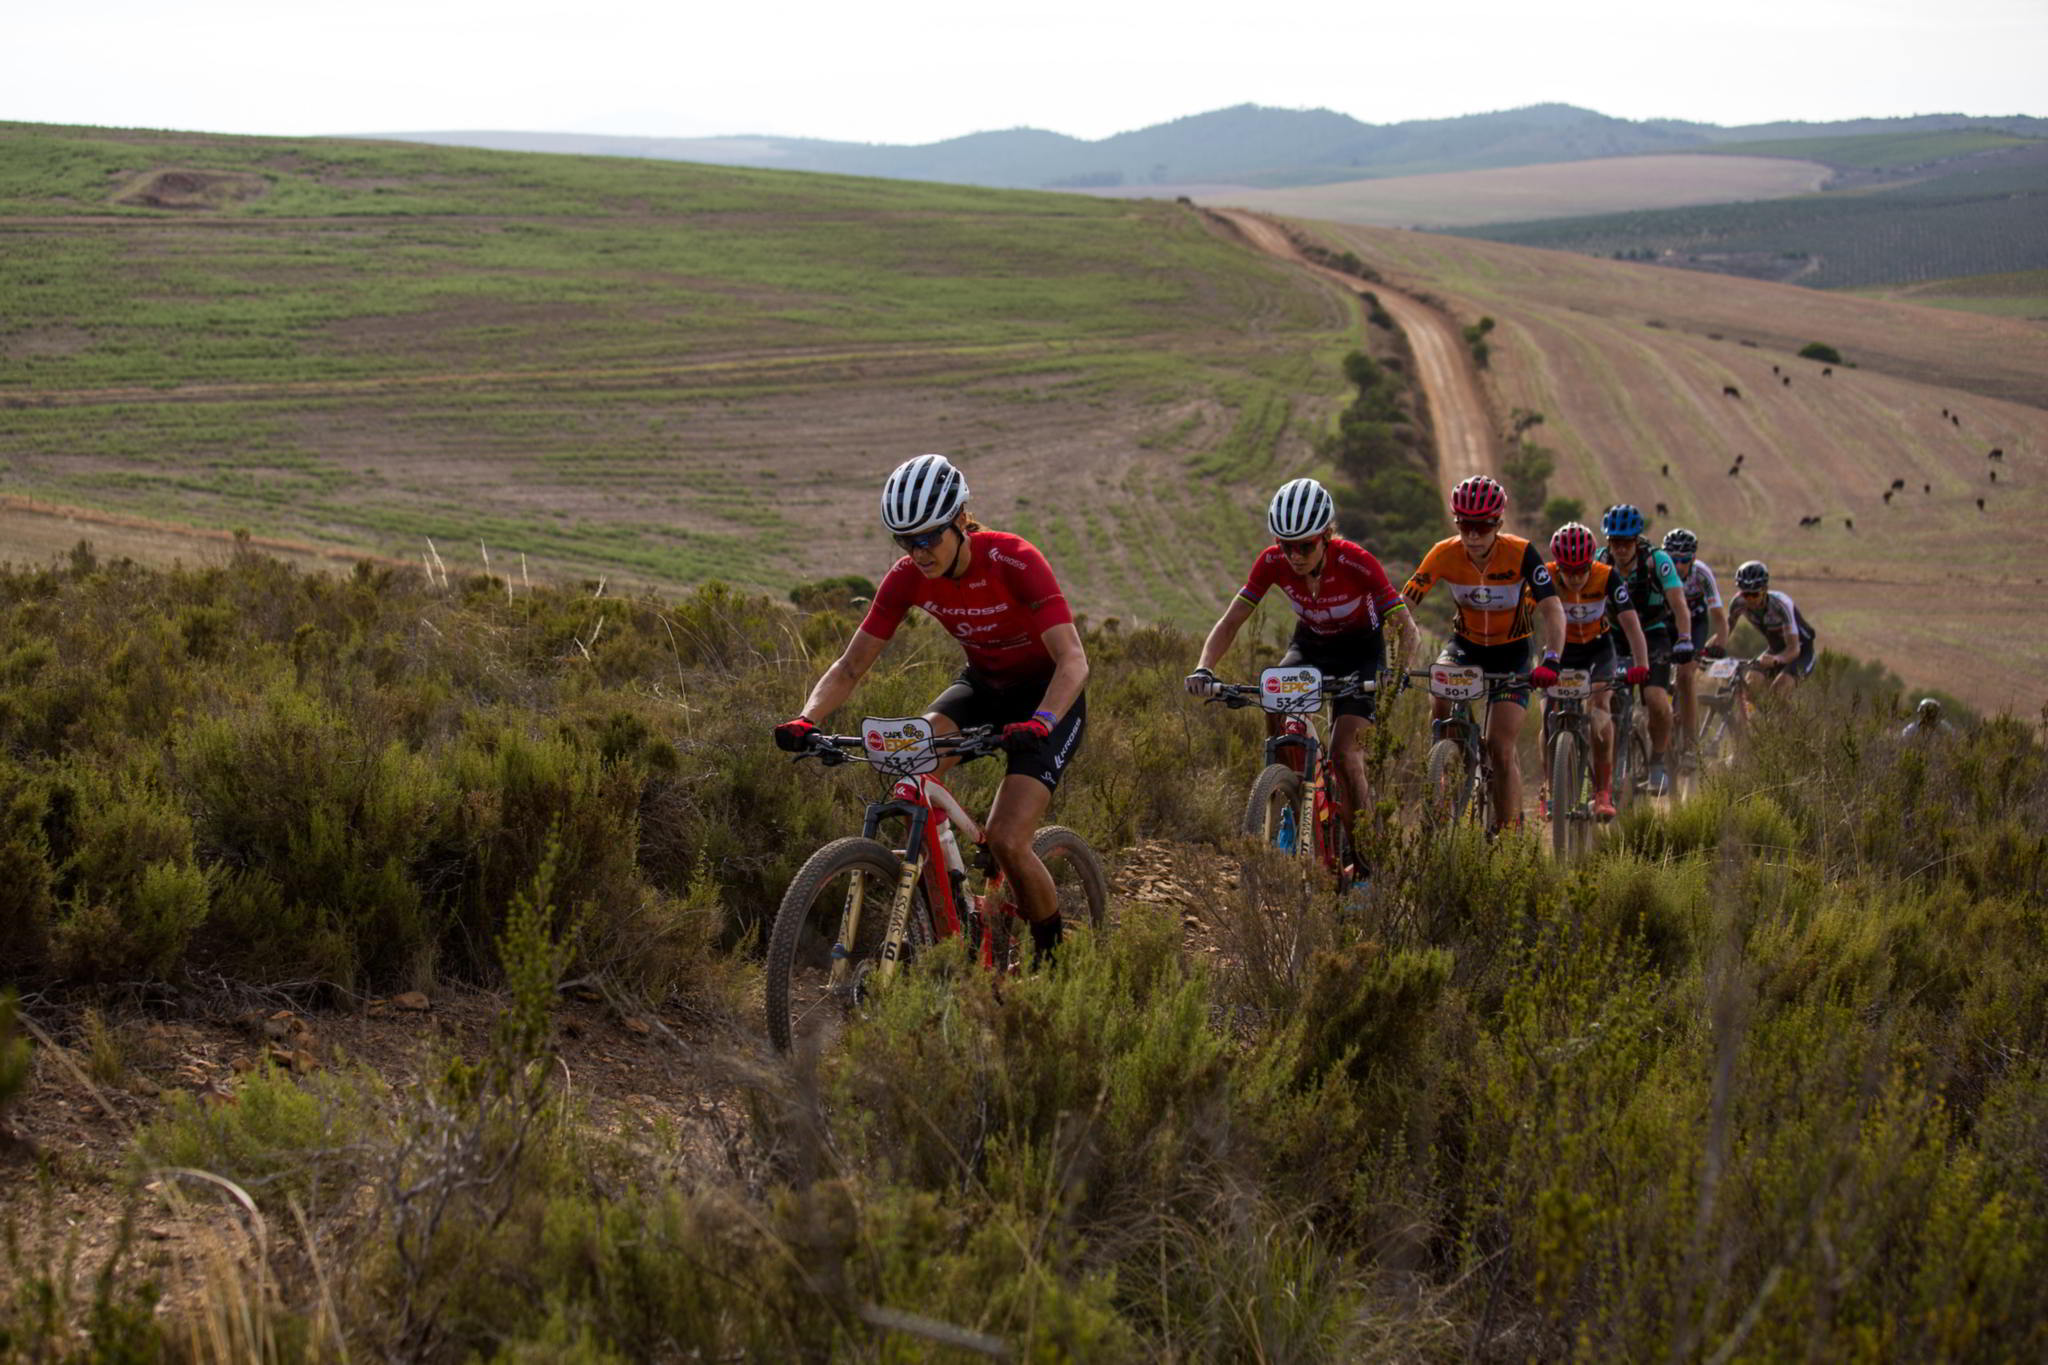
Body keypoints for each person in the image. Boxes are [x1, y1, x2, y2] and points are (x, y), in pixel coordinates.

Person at [772, 454, 1088, 963]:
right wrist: (807, 719)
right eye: (904, 540)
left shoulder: (1014, 559)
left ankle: (1054, 959)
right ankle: (952, 907)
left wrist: (1042, 721)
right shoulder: (907, 578)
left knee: (1008, 838)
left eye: (927, 538)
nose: (918, 552)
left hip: (1048, 698)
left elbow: (1073, 661)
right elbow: (851, 666)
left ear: (962, 520)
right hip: (983, 689)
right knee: (907, 767)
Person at [1185, 477, 1418, 848]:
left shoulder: (1357, 563)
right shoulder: (1271, 563)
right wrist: (1203, 667)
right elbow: (1231, 621)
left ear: (1327, 535)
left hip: (1361, 653)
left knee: (1345, 753)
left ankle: (1365, 858)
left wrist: (1398, 673)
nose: (1294, 555)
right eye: (1285, 545)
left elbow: (1408, 629)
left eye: (1305, 546)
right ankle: (1289, 792)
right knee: (1273, 697)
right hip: (1310, 646)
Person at [1401, 475, 1566, 830]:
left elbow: (1553, 609)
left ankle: (1507, 831)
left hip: (1513, 653)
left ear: (1498, 523)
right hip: (1466, 647)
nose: (1473, 535)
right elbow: (1404, 607)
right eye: (1465, 525)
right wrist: (1394, 655)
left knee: (1500, 748)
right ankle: (1448, 764)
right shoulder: (1443, 552)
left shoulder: (1522, 553)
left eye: (1482, 526)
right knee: (1439, 694)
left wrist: (1551, 660)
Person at [1546, 523, 1651, 819]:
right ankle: (1548, 788)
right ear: (1558, 564)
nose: (1576, 578)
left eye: (1582, 570)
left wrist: (1642, 664)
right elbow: (1523, 619)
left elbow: (1631, 623)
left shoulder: (1607, 576)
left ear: (1592, 562)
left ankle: (1603, 791)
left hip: (1598, 649)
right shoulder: (1547, 575)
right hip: (1562, 650)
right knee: (1549, 713)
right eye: (1569, 570)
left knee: (1600, 705)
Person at [1596, 504, 1693, 795]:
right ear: (1608, 541)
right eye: (1615, 541)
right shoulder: (1601, 562)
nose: (1621, 548)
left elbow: (1678, 603)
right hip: (1614, 634)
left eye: (1627, 542)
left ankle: (1657, 761)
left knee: (1656, 700)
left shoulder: (1657, 561)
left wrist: (1685, 637)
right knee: (1601, 697)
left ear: (1637, 540)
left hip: (1652, 633)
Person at [1663, 527, 1730, 766]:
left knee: (1685, 674)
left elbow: (1718, 615)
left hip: (1695, 623)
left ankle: (1691, 743)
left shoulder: (1702, 574)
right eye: (1673, 559)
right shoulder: (1659, 570)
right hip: (1667, 620)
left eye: (1684, 560)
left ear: (1693, 558)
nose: (1678, 565)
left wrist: (1721, 641)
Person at [1727, 560, 1816, 694]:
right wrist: (1705, 650)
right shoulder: (1738, 604)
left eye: (1754, 594)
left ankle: (1786, 715)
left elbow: (1794, 649)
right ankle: (1752, 715)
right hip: (1775, 650)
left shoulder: (1780, 605)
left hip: (1801, 651)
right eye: (1745, 594)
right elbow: (1723, 634)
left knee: (1779, 690)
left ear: (1765, 590)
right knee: (1750, 683)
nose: (1749, 599)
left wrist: (1777, 659)